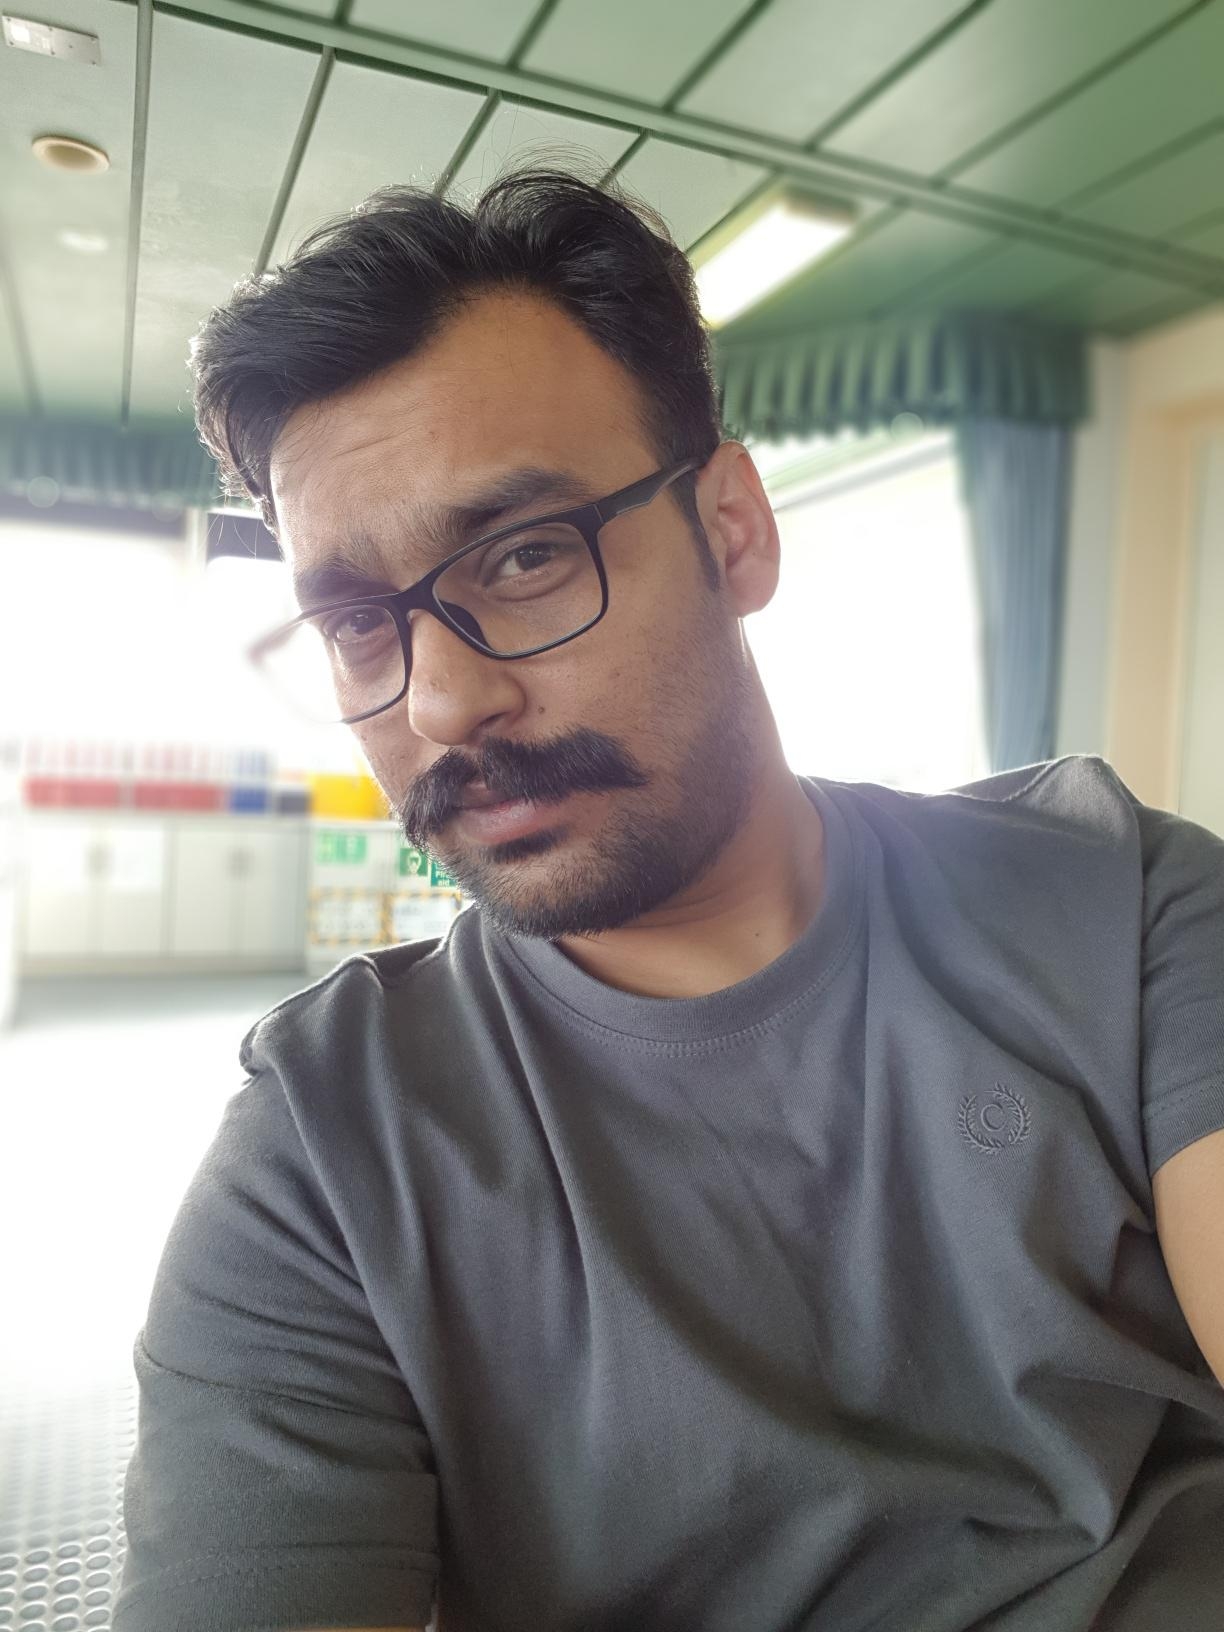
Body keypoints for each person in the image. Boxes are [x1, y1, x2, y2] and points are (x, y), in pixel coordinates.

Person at [111, 170, 1224, 1632]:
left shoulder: (1122, 900)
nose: (440, 701)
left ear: (734, 529)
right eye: (356, 623)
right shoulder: (327, 1149)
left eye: (524, 556)